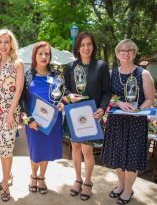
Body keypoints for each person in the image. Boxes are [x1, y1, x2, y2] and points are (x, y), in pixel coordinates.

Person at [101, 39, 154, 204]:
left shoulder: (143, 74)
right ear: (117, 54)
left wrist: (137, 112)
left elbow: (150, 99)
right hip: (116, 121)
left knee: (131, 158)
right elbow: (107, 96)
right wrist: (117, 102)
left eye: (130, 50)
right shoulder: (111, 74)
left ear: (134, 53)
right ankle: (121, 185)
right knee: (118, 156)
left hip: (136, 122)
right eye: (122, 50)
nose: (126, 53)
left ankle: (128, 190)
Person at [64, 31, 111, 201]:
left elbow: (107, 91)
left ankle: (88, 182)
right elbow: (66, 89)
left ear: (93, 46)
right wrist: (69, 96)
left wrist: (102, 108)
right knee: (75, 147)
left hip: (91, 114)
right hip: (74, 112)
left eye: (89, 44)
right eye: (82, 44)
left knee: (87, 150)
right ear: (77, 47)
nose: (86, 48)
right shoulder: (69, 67)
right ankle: (77, 179)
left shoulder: (101, 66)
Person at [21, 41, 63, 195]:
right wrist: (28, 120)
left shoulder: (56, 75)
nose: (44, 56)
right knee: (36, 151)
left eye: (47, 54)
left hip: (52, 120)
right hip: (33, 121)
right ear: (35, 56)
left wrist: (62, 104)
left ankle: (42, 177)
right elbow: (22, 100)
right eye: (40, 53)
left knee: (46, 150)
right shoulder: (27, 75)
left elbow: (62, 96)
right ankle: (33, 175)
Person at [0, 29, 24, 202]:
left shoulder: (17, 63)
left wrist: (10, 113)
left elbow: (18, 90)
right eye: (0, 42)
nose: (3, 45)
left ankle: (5, 184)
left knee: (7, 148)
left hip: (10, 111)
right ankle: (7, 176)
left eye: (6, 42)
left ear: (11, 44)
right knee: (0, 147)